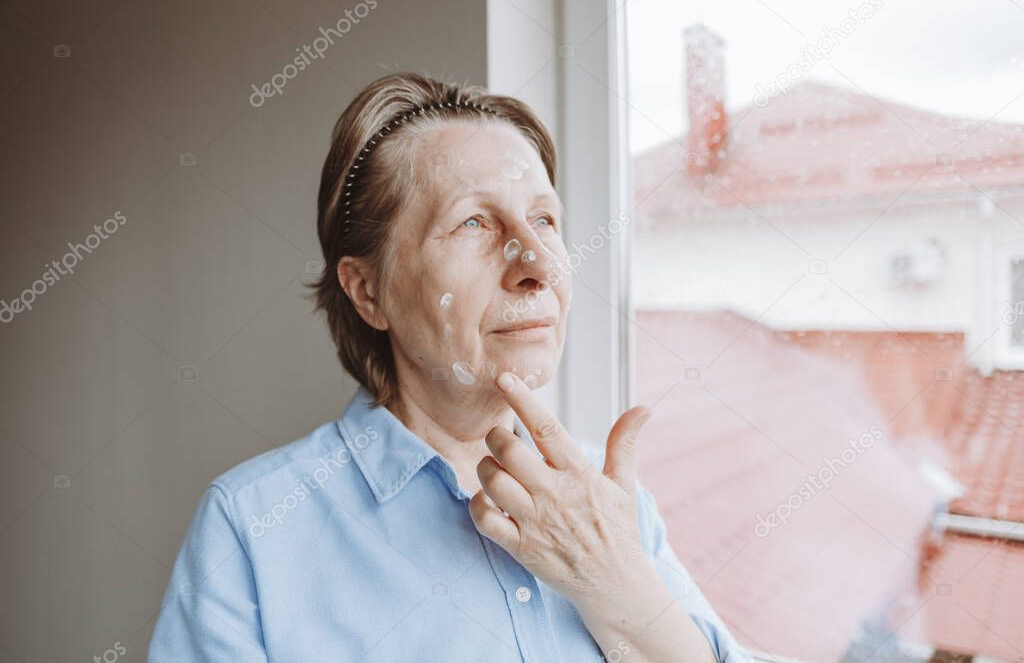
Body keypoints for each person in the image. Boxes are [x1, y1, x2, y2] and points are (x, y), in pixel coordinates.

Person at [148, 72, 752, 662]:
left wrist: (619, 584)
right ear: (368, 292)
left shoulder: (608, 504)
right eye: (474, 222)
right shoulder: (251, 528)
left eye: (544, 220)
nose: (538, 262)